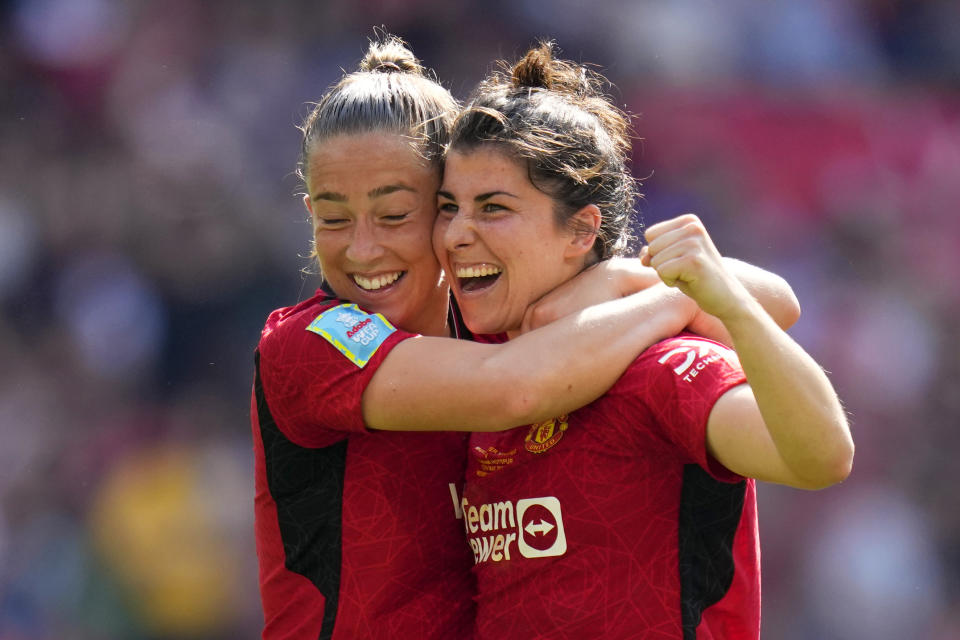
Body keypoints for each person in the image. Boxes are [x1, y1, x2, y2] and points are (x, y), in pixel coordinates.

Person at [252, 34, 799, 639]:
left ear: (444, 208)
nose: (362, 247)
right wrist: (660, 292)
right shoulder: (313, 342)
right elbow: (513, 389)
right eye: (332, 218)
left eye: (395, 215)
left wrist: (621, 278)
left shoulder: (496, 331)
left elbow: (776, 303)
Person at [435, 42, 854, 640]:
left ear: (581, 229)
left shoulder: (661, 367)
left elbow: (823, 457)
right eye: (449, 207)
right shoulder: (473, 369)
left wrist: (725, 302)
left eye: (493, 208)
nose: (457, 234)